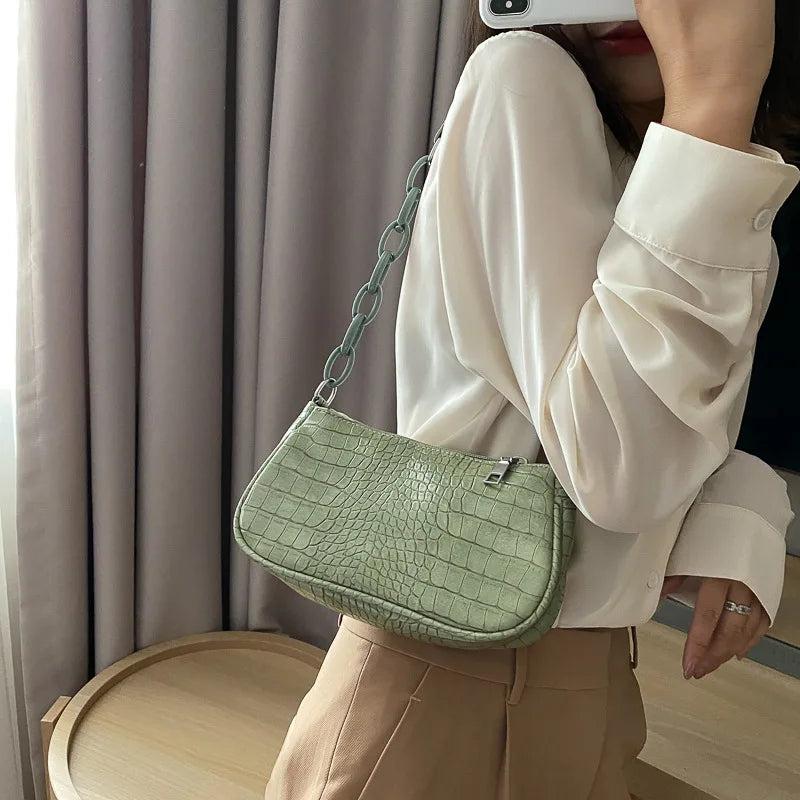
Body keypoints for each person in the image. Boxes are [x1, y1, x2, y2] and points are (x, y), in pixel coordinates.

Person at [265, 1, 800, 797]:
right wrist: (714, 101)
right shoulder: (526, 76)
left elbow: (606, 430)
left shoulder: (675, 153)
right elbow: (617, 473)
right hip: (440, 685)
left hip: (586, 678)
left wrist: (741, 501)